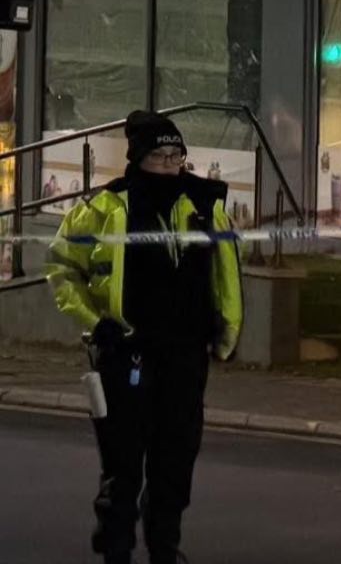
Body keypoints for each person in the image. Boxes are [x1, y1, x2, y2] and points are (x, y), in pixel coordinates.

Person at [46, 111, 243, 564]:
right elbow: (61, 268)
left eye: (178, 155)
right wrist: (96, 323)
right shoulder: (103, 208)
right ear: (138, 158)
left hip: (185, 353)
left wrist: (225, 330)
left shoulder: (204, 204)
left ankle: (164, 549)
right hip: (126, 352)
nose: (171, 164)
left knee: (175, 460)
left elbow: (227, 271)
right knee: (123, 462)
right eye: (160, 155)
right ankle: (116, 549)